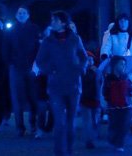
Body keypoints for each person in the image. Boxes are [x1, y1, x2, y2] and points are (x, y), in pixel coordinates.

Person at [36, 11, 88, 156]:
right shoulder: (48, 41)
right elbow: (40, 60)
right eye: (52, 20)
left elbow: (83, 57)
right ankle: (59, 152)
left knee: (71, 122)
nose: (52, 22)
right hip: (56, 86)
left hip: (73, 86)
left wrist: (80, 69)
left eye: (55, 20)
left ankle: (70, 151)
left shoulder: (75, 39)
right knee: (59, 122)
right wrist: (50, 70)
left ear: (63, 22)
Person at [4, 6, 40, 137]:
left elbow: (38, 46)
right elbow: (6, 48)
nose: (21, 15)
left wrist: (36, 64)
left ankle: (34, 124)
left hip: (31, 67)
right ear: (16, 15)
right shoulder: (11, 30)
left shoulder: (34, 28)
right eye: (19, 13)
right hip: (16, 67)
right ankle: (20, 127)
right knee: (17, 98)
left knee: (33, 97)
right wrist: (10, 63)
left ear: (28, 15)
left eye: (24, 12)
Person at [100, 13, 132, 80]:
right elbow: (107, 46)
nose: (123, 23)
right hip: (117, 63)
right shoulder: (112, 35)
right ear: (118, 22)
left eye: (125, 21)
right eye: (121, 21)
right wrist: (105, 54)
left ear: (129, 22)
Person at [103, 56, 132, 152]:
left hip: (126, 105)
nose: (123, 66)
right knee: (114, 124)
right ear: (114, 65)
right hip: (113, 106)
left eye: (124, 64)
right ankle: (113, 139)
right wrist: (105, 103)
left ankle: (120, 144)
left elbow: (131, 89)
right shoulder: (108, 78)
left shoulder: (127, 77)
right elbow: (105, 91)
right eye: (121, 64)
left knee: (124, 125)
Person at [80, 56, 102, 149]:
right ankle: (89, 139)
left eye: (91, 60)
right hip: (86, 98)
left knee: (93, 120)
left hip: (93, 98)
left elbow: (100, 83)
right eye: (88, 60)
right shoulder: (82, 71)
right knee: (88, 120)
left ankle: (92, 137)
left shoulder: (95, 71)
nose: (89, 62)